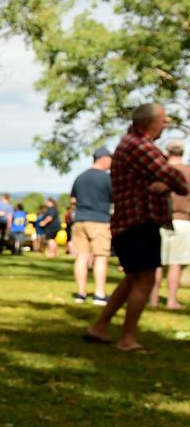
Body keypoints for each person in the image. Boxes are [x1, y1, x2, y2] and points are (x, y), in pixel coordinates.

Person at [86, 104, 188, 352]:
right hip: (138, 222)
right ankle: (127, 338)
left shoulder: (131, 144)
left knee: (134, 277)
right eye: (163, 120)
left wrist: (163, 184)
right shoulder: (140, 146)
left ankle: (99, 326)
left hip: (130, 221)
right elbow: (176, 178)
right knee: (146, 279)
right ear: (148, 123)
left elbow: (161, 177)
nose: (165, 124)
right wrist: (171, 183)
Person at [149, 140, 189, 309]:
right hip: (184, 220)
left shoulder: (160, 172)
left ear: (168, 151)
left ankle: (153, 299)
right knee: (176, 263)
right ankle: (171, 301)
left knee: (158, 263)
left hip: (161, 220)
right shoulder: (188, 171)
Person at [71, 147, 114, 304]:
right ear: (103, 159)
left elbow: (73, 200)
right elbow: (114, 197)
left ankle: (81, 294)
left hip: (80, 219)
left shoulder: (80, 177)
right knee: (101, 257)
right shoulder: (107, 178)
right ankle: (99, 294)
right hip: (99, 220)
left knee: (82, 256)